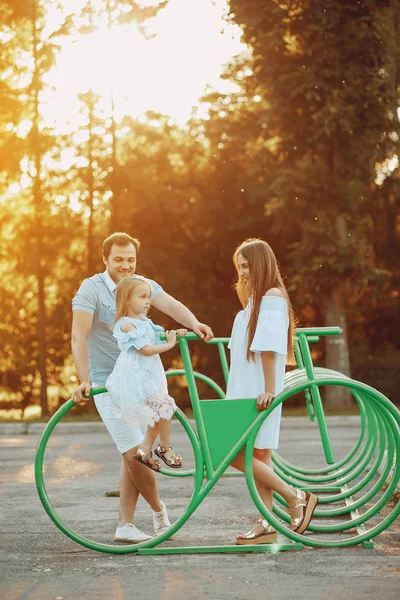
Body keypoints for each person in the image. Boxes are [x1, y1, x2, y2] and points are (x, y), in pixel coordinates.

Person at [71, 232, 213, 544]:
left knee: (134, 452)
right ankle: (160, 514)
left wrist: (194, 323)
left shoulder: (139, 285)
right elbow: (78, 336)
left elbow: (170, 303)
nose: (125, 265)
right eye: (118, 259)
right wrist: (83, 380)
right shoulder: (91, 288)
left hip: (140, 383)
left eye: (130, 259)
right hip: (107, 384)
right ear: (105, 259)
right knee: (133, 453)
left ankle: (125, 525)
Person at [226, 238, 318, 545]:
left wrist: (268, 389)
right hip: (245, 387)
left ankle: (295, 496)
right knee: (259, 455)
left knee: (231, 454)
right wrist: (245, 284)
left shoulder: (273, 297)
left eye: (246, 265)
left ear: (261, 263)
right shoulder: (256, 300)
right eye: (238, 267)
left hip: (257, 390)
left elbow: (267, 348)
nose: (242, 273)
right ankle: (267, 522)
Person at [106, 276, 187, 471]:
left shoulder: (146, 323)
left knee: (160, 415)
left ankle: (144, 451)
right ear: (127, 300)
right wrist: (169, 345)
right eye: (142, 297)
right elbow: (145, 349)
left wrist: (175, 335)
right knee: (166, 405)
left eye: (149, 297)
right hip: (136, 378)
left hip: (150, 375)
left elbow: (160, 337)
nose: (147, 301)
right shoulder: (127, 325)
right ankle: (164, 447)